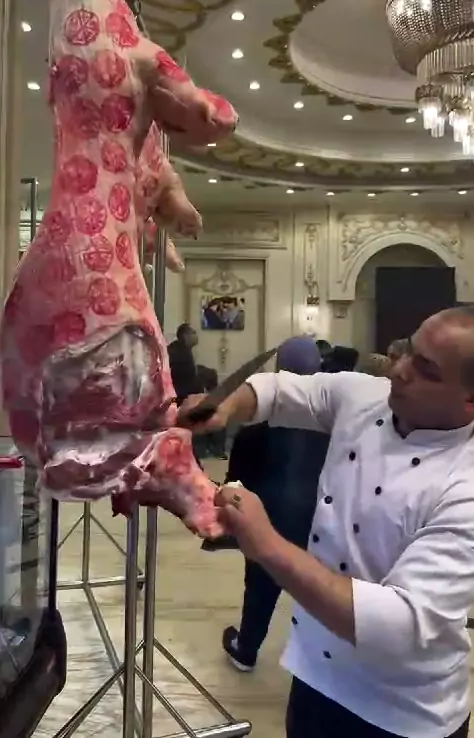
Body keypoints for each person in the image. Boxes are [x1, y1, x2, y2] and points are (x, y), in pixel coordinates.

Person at [178, 307, 474, 738]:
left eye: (425, 370)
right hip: (315, 675)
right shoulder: (366, 395)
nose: (400, 370)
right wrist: (227, 404)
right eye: (409, 351)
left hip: (402, 712)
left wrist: (267, 544)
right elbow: (281, 391)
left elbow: (398, 624)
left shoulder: (466, 484)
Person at [221, 337, 329, 671]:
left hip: (269, 521)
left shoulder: (254, 431)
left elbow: (235, 485)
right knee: (319, 591)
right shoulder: (337, 427)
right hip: (321, 524)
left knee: (259, 588)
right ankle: (319, 660)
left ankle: (246, 648)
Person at [167, 324, 201, 407]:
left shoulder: (179, 348)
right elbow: (189, 379)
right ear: (186, 335)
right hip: (178, 399)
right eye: (194, 333)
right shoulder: (181, 353)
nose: (197, 336)